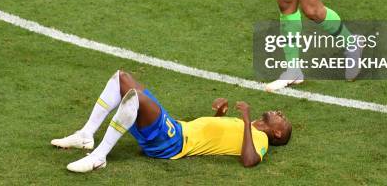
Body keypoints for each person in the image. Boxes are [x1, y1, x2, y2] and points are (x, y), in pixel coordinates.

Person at [51, 70, 292, 172]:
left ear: (277, 134)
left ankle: (99, 157)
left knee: (135, 99)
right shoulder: (248, 130)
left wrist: (247, 116)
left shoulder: (260, 139)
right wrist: (220, 113)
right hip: (175, 130)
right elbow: (217, 137)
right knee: (121, 78)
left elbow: (249, 161)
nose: (279, 112)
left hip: (175, 142)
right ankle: (85, 135)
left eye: (282, 119)